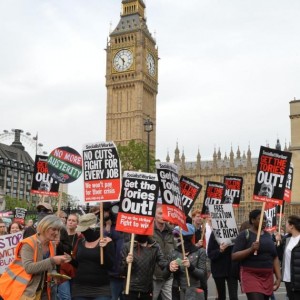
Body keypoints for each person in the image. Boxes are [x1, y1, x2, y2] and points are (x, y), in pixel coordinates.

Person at [0, 215, 70, 300]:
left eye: (58, 230)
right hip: (24, 291)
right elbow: (29, 268)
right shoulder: (28, 243)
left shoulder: (52, 244)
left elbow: (50, 266)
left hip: (43, 291)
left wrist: (55, 274)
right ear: (44, 227)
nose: (56, 233)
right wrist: (53, 260)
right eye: (54, 229)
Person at [232, 209, 281, 300]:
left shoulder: (268, 235)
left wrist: (278, 278)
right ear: (253, 220)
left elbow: (275, 257)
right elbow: (234, 256)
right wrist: (251, 249)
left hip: (267, 276)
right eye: (260, 219)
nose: (264, 221)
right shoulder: (244, 235)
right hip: (251, 275)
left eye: (265, 219)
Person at [71, 213, 114, 300]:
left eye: (85, 230)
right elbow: (80, 265)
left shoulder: (106, 241)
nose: (83, 233)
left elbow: (110, 265)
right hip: (80, 288)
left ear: (93, 228)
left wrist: (104, 249)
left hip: (101, 289)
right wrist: (70, 260)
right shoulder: (80, 242)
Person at [121, 233, 168, 300]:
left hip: (147, 290)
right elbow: (121, 271)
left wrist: (170, 265)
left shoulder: (155, 246)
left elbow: (162, 262)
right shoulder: (128, 246)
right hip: (131, 290)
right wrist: (126, 262)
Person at [167, 223, 207, 300]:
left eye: (176, 235)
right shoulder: (174, 252)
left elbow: (202, 274)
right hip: (177, 290)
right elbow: (164, 275)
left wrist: (190, 266)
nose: (175, 238)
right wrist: (169, 267)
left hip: (193, 290)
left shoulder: (200, 251)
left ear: (185, 238)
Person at [152, 206, 176, 300]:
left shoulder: (173, 231)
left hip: (169, 273)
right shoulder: (148, 230)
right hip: (153, 274)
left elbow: (177, 249)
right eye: (160, 213)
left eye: (164, 214)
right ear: (154, 215)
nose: (162, 216)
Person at [207, 232, 238, 300]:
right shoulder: (214, 234)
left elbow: (238, 251)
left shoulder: (233, 232)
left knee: (234, 297)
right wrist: (220, 250)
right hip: (218, 269)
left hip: (231, 269)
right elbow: (210, 254)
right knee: (221, 297)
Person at [57, 213, 81, 300]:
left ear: (77, 224)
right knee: (66, 297)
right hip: (62, 269)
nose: (70, 222)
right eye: (69, 220)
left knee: (73, 296)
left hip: (74, 270)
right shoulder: (59, 235)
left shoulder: (80, 237)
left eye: (73, 220)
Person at [277, 215, 300, 300]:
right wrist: (278, 243)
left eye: (286, 223)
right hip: (288, 279)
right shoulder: (287, 240)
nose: (285, 225)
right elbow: (280, 257)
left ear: (292, 225)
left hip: (298, 280)